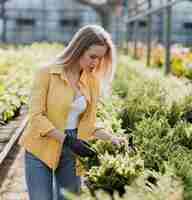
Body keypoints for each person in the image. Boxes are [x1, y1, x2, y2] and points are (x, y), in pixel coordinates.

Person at [18, 24, 126, 200]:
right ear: (78, 50)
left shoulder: (92, 82)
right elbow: (36, 117)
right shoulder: (47, 73)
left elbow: (89, 122)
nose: (96, 63)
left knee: (69, 197)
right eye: (92, 56)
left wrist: (112, 138)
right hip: (41, 146)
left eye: (100, 58)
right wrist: (67, 140)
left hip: (72, 150)